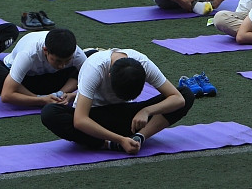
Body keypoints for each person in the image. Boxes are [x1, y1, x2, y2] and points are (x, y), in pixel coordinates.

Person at [40, 47, 194, 154]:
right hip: (95, 121)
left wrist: (146, 111)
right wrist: (119, 141)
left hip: (130, 119)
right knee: (50, 113)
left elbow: (178, 99)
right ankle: (107, 144)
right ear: (109, 76)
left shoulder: (143, 63)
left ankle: (138, 138)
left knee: (186, 93)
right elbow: (80, 120)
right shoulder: (95, 67)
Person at [0, 29, 87, 107]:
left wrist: (70, 96)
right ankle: (38, 97)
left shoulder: (77, 54)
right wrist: (42, 100)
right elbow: (6, 96)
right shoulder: (28, 54)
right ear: (45, 50)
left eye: (67, 61)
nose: (62, 66)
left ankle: (59, 94)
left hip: (53, 82)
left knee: (91, 58)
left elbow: (96, 84)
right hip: (25, 83)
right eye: (58, 61)